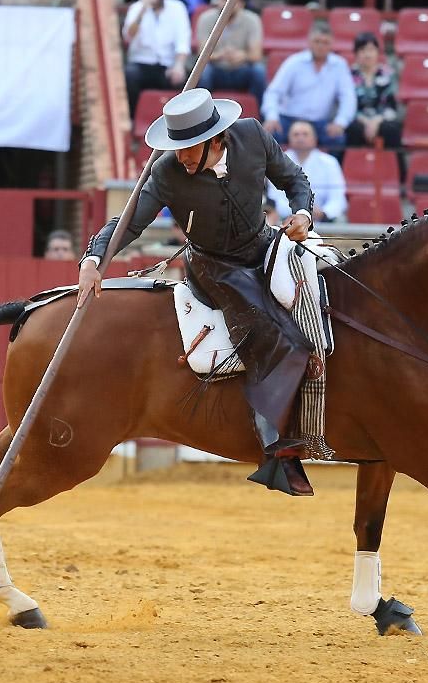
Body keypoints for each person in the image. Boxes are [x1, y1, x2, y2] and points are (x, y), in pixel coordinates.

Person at [77, 88, 319, 497]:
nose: (181, 156)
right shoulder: (168, 171)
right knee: (269, 333)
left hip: (264, 245)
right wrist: (93, 257)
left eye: (189, 148)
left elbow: (294, 180)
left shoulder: (253, 137)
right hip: (214, 266)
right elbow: (131, 221)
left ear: (215, 140)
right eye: (177, 148)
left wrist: (302, 213)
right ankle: (275, 449)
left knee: (325, 291)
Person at [261, 21, 355, 153]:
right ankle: (272, 174)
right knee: (269, 135)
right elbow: (274, 92)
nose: (321, 46)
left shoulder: (339, 65)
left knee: (338, 139)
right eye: (317, 41)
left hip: (320, 123)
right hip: (289, 119)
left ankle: (330, 173)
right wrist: (272, 116)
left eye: (325, 42)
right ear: (309, 42)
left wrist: (341, 122)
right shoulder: (294, 62)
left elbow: (348, 97)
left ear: (332, 44)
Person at [122, 0, 190, 118]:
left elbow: (182, 42)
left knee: (188, 79)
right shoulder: (136, 8)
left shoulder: (177, 8)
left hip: (168, 65)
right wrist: (143, 9)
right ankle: (133, 118)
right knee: (129, 75)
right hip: (142, 64)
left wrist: (178, 66)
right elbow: (128, 36)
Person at [346, 31, 403, 174]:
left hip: (382, 118)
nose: (367, 54)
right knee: (353, 129)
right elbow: (347, 105)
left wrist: (377, 121)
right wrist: (365, 121)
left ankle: (399, 176)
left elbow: (392, 105)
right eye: (362, 50)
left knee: (391, 130)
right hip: (357, 118)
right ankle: (351, 174)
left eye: (371, 50)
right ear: (356, 53)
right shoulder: (348, 75)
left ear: (378, 52)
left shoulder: (388, 74)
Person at [195, 0, 265, 106]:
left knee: (259, 71)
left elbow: (256, 55)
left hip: (241, 70)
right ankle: (202, 114)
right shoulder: (205, 19)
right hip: (216, 69)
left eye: (230, 0)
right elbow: (201, 54)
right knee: (204, 71)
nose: (225, 4)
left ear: (241, 4)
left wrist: (243, 56)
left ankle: (260, 114)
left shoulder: (252, 20)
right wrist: (221, 55)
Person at [268, 121, 347, 223]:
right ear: (289, 138)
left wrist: (323, 213)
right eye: (296, 134)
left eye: (305, 134)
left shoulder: (330, 162)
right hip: (288, 219)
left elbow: (338, 197)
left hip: (324, 220)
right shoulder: (278, 162)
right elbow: (275, 197)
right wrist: (302, 213)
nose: (300, 138)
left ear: (315, 139)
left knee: (340, 220)